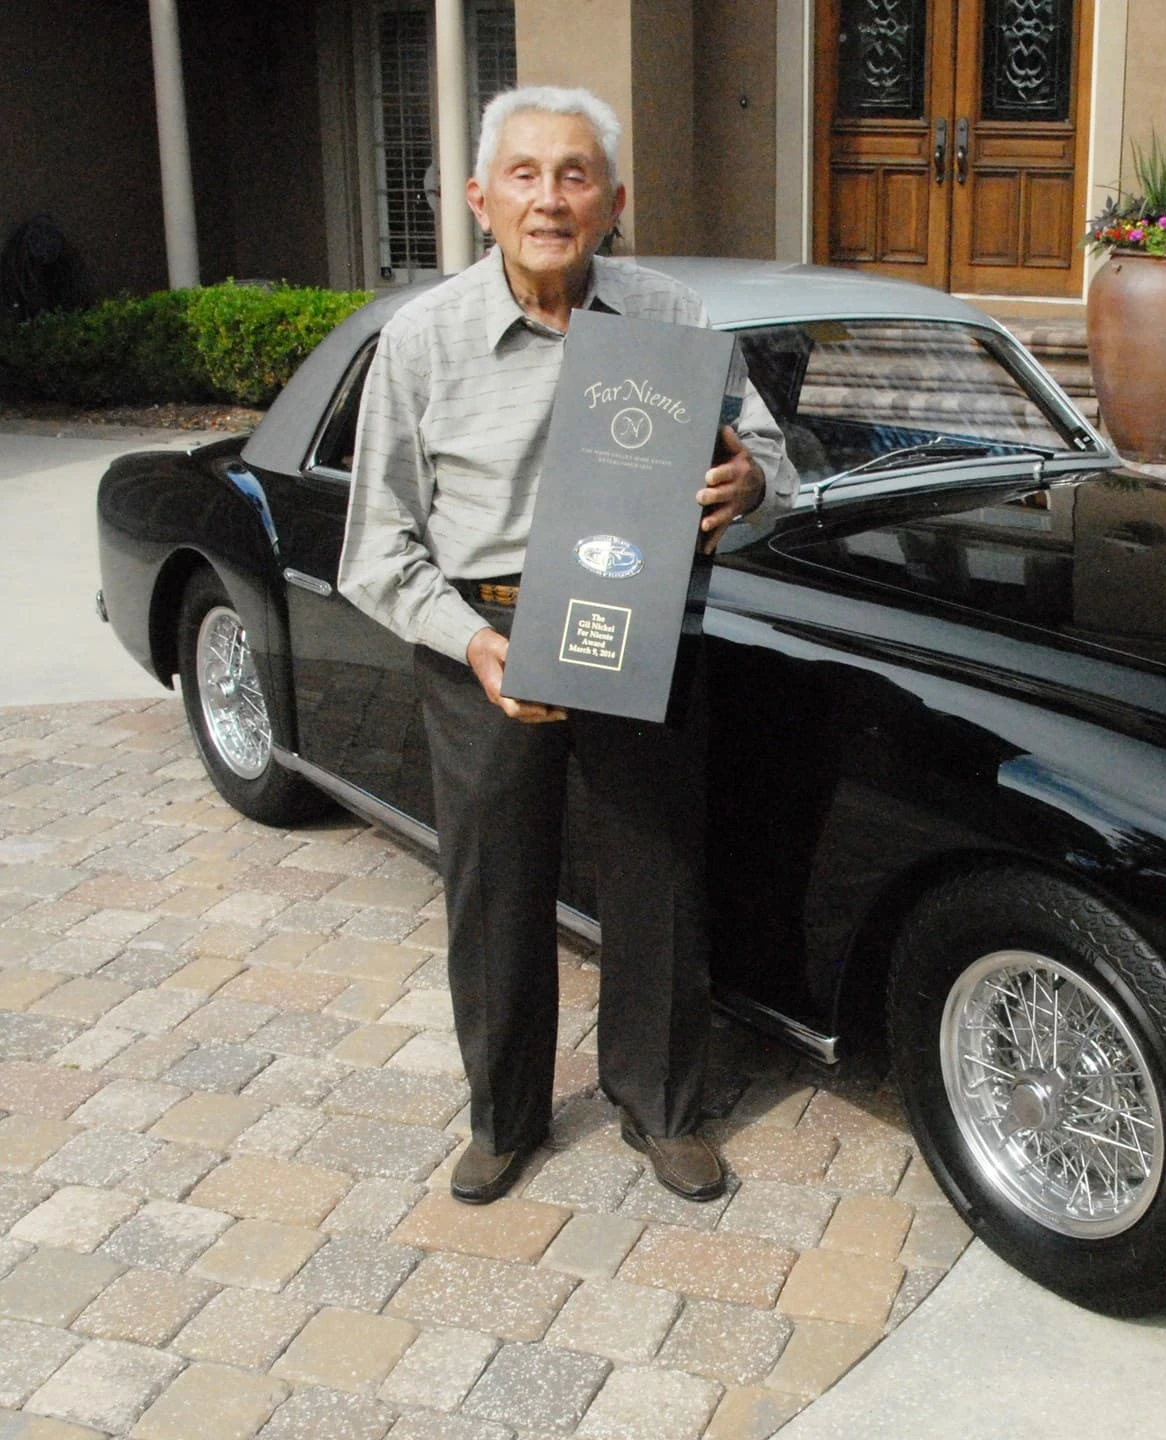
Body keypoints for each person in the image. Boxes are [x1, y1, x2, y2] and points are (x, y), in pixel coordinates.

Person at [338, 85, 786, 1204]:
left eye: (576, 175)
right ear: (482, 200)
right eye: (527, 176)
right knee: (495, 887)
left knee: (660, 874)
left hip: (640, 624)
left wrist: (754, 479)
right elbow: (376, 547)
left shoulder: (672, 320)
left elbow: (769, 450)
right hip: (483, 634)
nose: (552, 199)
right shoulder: (422, 340)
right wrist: (471, 643)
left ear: (614, 201)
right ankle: (505, 1118)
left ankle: (662, 1107)